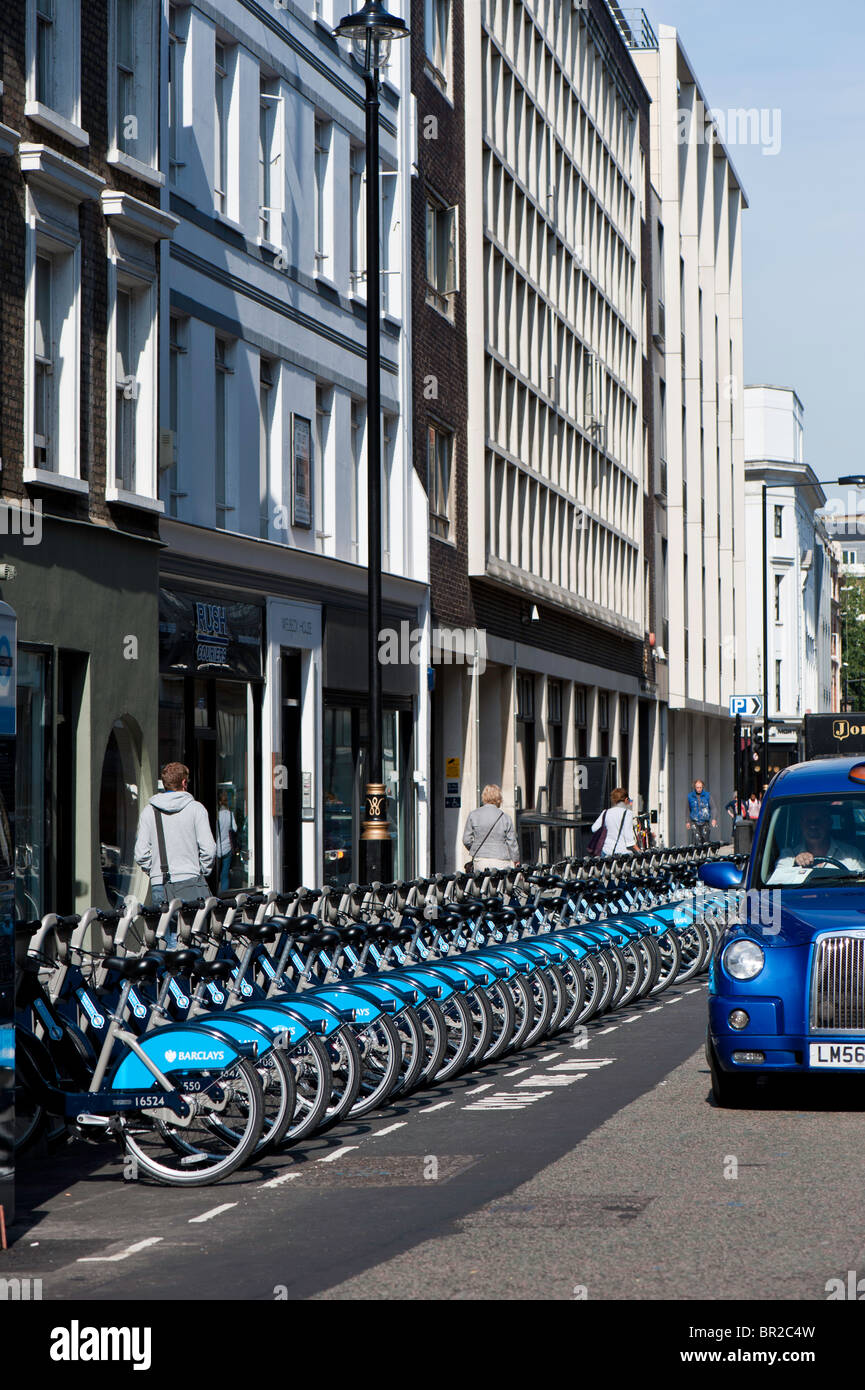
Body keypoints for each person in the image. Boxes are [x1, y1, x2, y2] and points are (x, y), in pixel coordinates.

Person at [134, 762, 216, 905]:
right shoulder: (196, 809)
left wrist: (155, 871)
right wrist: (199, 870)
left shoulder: (149, 811)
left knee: (163, 927)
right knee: (191, 927)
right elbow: (209, 849)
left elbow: (140, 854)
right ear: (184, 782)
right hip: (191, 881)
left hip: (160, 884)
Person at [767, 801, 865, 886]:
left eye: (818, 821)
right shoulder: (788, 857)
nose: (813, 826)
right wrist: (795, 867)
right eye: (808, 821)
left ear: (829, 823)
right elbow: (776, 891)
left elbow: (861, 886)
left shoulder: (851, 856)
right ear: (801, 824)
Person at [462, 784, 520, 872]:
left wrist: (477, 848)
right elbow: (512, 842)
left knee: (481, 884)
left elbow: (466, 840)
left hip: (480, 859)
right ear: (499, 798)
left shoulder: (473, 815)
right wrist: (516, 860)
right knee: (500, 885)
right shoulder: (505, 817)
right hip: (501, 859)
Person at [591, 787, 636, 857]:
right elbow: (629, 838)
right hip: (623, 852)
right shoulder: (627, 813)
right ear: (626, 799)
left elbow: (594, 828)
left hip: (606, 851)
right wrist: (638, 850)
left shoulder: (605, 812)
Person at [215, 790, 237, 893]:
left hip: (217, 849)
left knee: (216, 874)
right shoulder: (230, 814)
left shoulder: (217, 816)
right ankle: (224, 894)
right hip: (228, 847)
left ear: (219, 802)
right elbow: (235, 828)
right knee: (225, 874)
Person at [687, 779, 717, 846]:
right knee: (697, 840)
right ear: (695, 787)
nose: (699, 789)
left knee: (705, 840)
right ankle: (698, 853)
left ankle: (705, 853)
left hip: (705, 821)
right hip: (694, 821)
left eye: (700, 787)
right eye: (697, 787)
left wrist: (714, 819)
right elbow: (688, 809)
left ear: (702, 787)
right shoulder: (690, 796)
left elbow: (713, 808)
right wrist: (687, 821)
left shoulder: (707, 795)